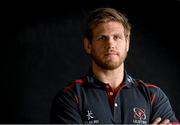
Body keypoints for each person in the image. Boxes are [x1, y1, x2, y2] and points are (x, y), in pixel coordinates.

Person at [50, 7, 179, 124]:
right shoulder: (70, 97)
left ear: (127, 43)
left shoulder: (153, 95)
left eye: (117, 37)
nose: (111, 44)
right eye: (102, 38)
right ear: (88, 45)